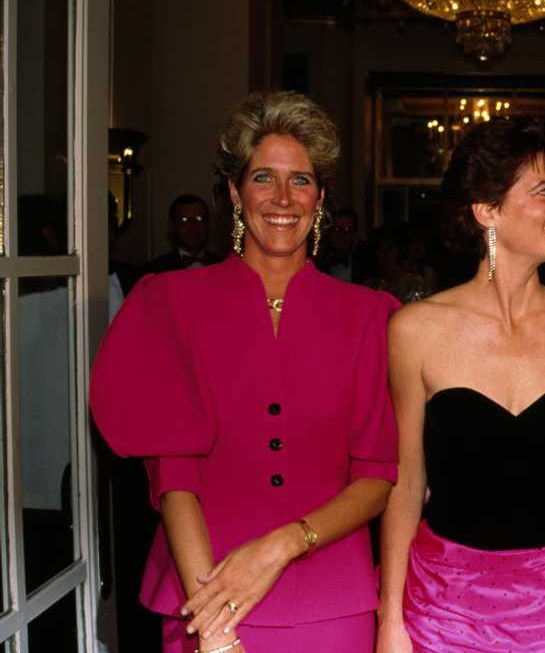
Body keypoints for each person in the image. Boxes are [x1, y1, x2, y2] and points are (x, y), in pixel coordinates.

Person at [91, 90, 399, 653]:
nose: (283, 198)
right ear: (235, 193)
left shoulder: (372, 316)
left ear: (321, 197)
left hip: (332, 603)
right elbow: (172, 474)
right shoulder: (170, 302)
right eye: (263, 178)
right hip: (203, 591)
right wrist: (212, 620)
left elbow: (377, 476)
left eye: (301, 180)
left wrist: (283, 544)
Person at [377, 117, 545, 653]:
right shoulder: (415, 330)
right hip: (445, 606)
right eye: (544, 192)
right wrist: (389, 622)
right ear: (487, 212)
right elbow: (406, 484)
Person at [143, 194, 223, 273]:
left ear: (208, 224)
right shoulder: (155, 270)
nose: (193, 226)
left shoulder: (222, 265)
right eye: (184, 220)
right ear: (173, 226)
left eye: (199, 219)